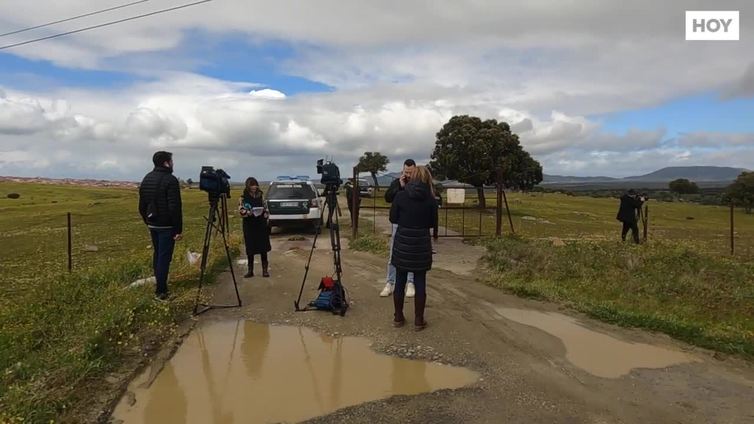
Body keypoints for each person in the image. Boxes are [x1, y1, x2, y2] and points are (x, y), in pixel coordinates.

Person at [389, 165, 437, 330]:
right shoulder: (431, 199)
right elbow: (432, 223)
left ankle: (398, 317)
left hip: (402, 242)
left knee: (400, 280)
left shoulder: (401, 196)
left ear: (411, 177)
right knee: (420, 281)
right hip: (421, 244)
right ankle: (418, 320)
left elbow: (393, 218)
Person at [138, 151, 182, 301]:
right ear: (166, 163)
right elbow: (174, 207)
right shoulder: (170, 180)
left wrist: (148, 221)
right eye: (171, 161)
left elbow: (142, 204)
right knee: (164, 258)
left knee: (158, 255)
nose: (173, 163)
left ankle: (160, 285)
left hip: (153, 224)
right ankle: (161, 292)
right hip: (166, 226)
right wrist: (177, 229)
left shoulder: (147, 178)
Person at [381, 159, 416, 297]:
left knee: (412, 255)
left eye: (411, 172)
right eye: (406, 172)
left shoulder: (418, 184)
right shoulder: (396, 183)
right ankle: (390, 283)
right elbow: (388, 198)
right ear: (403, 171)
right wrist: (400, 187)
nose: (408, 175)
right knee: (393, 254)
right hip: (398, 223)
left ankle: (410, 282)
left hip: (413, 223)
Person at [239, 177, 271, 277]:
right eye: (252, 186)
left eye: (255, 185)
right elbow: (241, 211)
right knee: (250, 248)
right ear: (248, 186)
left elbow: (266, 208)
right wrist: (248, 212)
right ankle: (250, 270)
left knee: (263, 248)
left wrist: (266, 213)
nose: (254, 187)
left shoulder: (261, 196)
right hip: (249, 225)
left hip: (261, 224)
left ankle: (265, 270)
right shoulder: (243, 198)